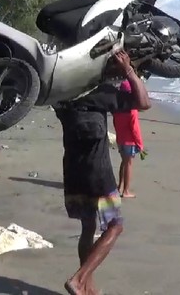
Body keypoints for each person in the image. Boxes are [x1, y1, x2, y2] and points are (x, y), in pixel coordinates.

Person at [53, 49, 151, 295]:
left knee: (88, 226)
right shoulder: (98, 94)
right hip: (97, 172)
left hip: (72, 171)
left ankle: (87, 286)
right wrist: (128, 69)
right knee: (115, 226)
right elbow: (143, 103)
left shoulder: (62, 93)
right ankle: (79, 279)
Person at [113, 79, 144, 198]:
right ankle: (126, 191)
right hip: (129, 141)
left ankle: (119, 186)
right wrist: (140, 144)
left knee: (124, 163)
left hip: (120, 140)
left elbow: (116, 124)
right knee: (128, 164)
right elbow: (135, 130)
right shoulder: (132, 111)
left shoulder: (117, 110)